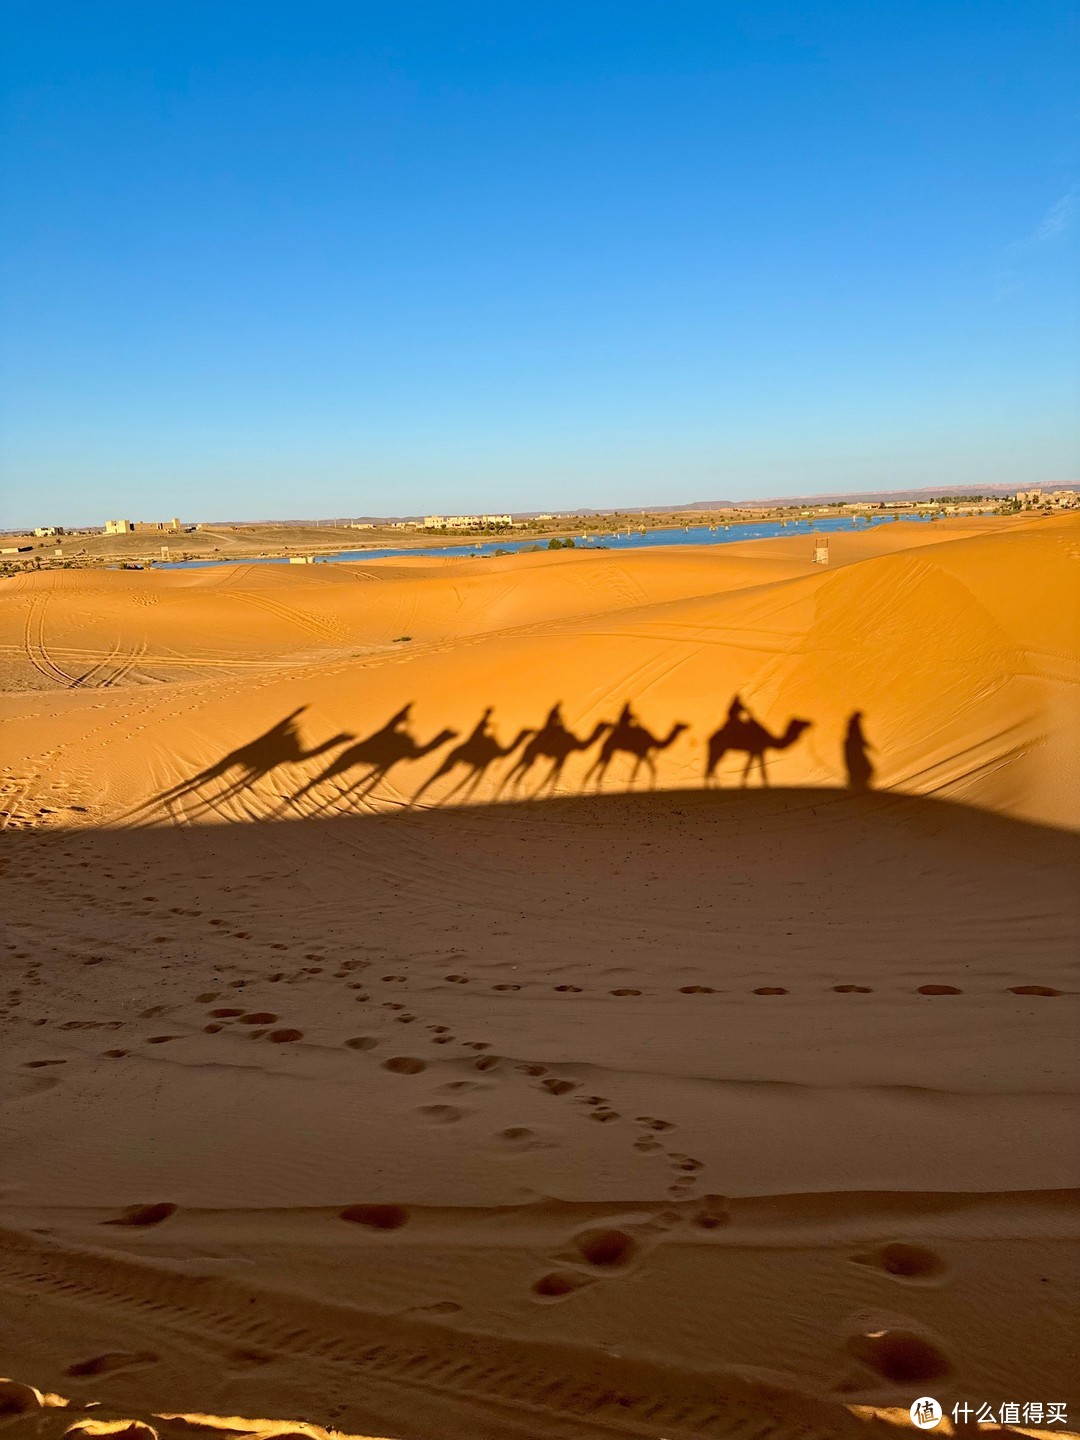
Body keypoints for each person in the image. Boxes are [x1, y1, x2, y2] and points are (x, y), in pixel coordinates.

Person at [843, 710, 875, 790]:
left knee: (860, 767)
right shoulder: (854, 726)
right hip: (854, 749)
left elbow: (858, 737)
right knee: (865, 768)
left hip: (854, 749)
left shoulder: (853, 725)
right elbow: (858, 737)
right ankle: (859, 786)